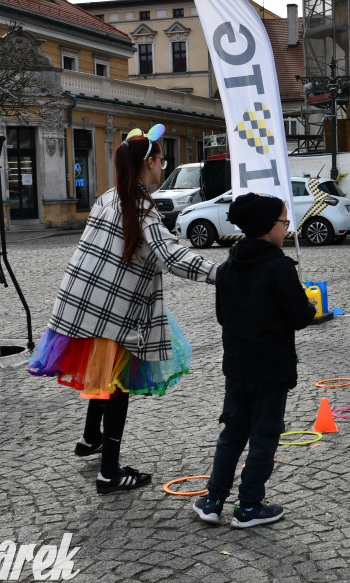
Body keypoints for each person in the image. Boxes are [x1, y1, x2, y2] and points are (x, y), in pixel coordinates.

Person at [28, 125, 218, 494]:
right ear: (150, 162)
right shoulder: (142, 207)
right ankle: (109, 473)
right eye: (161, 159)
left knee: (104, 375)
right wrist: (223, 273)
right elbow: (172, 257)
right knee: (117, 387)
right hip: (114, 313)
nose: (164, 166)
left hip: (83, 307)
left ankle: (89, 439)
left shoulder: (109, 197)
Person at [193, 193, 316, 529]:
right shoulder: (279, 267)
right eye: (283, 221)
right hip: (271, 369)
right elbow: (298, 315)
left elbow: (222, 316)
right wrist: (310, 305)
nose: (286, 227)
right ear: (267, 227)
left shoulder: (227, 268)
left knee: (232, 433)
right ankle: (248, 506)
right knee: (264, 435)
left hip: (237, 366)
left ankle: (213, 500)